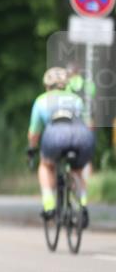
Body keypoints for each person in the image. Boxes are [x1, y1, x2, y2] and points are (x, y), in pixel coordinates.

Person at [28, 67, 94, 228]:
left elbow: (34, 133)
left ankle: (49, 205)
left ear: (47, 85)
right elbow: (90, 125)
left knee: (46, 165)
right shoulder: (77, 100)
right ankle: (83, 205)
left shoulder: (42, 100)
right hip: (81, 136)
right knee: (77, 171)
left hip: (55, 137)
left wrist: (31, 148)